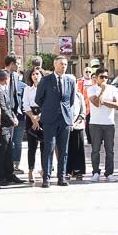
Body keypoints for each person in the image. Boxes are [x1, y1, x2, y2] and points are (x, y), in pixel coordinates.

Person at [34, 55, 77, 188]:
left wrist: (66, 114)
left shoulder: (70, 80)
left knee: (63, 150)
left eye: (65, 65)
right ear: (54, 65)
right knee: (49, 148)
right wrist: (48, 108)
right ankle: (46, 178)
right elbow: (38, 99)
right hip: (50, 119)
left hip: (64, 119)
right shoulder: (46, 80)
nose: (63, 67)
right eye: (61, 64)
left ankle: (61, 177)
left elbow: (71, 100)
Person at [88, 69, 118, 181]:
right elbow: (96, 103)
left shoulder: (113, 89)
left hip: (109, 123)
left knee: (109, 150)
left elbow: (116, 104)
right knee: (95, 149)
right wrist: (102, 91)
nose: (104, 79)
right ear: (96, 77)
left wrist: (104, 101)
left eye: (106, 77)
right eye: (102, 77)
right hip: (95, 123)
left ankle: (109, 172)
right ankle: (95, 172)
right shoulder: (91, 89)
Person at [0, 69, 20, 187]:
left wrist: (13, 116)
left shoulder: (1, 89)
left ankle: (9, 174)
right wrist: (11, 119)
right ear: (5, 79)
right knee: (2, 152)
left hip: (8, 125)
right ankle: (0, 176)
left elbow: (9, 107)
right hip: (4, 125)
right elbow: (3, 108)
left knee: (8, 150)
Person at [3, 55, 25, 176]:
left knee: (18, 141)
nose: (19, 66)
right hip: (6, 114)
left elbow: (15, 95)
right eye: (17, 63)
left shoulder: (16, 77)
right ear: (12, 64)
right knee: (8, 141)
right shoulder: (0, 75)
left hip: (18, 114)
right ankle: (7, 165)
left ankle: (16, 165)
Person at [23, 68, 44, 184]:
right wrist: (33, 119)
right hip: (31, 116)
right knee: (32, 147)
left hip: (43, 116)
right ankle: (31, 170)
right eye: (33, 74)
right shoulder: (27, 89)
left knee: (44, 146)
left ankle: (44, 169)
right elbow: (25, 105)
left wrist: (39, 117)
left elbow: (47, 104)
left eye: (37, 74)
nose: (35, 76)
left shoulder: (46, 88)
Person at [66, 85, 87, 180]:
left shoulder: (79, 95)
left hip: (78, 126)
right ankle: (68, 171)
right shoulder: (63, 95)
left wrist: (76, 123)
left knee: (78, 149)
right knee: (67, 149)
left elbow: (83, 112)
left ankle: (78, 171)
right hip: (66, 126)